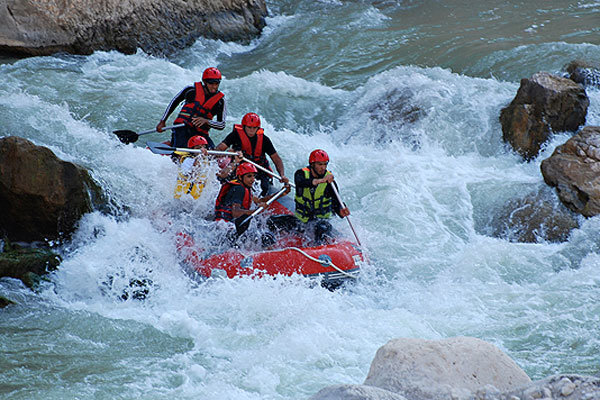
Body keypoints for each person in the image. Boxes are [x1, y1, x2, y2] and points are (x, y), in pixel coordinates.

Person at [267, 149, 350, 244]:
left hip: (320, 221)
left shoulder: (330, 183)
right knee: (272, 221)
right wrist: (321, 180)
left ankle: (318, 248)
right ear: (312, 164)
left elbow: (336, 203)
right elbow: (303, 183)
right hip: (301, 220)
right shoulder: (300, 174)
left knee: (321, 228)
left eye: (325, 164)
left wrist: (341, 211)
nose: (323, 168)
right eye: (320, 164)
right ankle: (275, 245)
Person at [215, 112, 288, 196]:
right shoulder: (235, 135)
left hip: (259, 170)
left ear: (258, 128)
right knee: (222, 180)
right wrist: (224, 152)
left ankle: (260, 200)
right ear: (244, 126)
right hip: (240, 168)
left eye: (254, 128)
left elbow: (276, 159)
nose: (251, 130)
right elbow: (221, 148)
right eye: (249, 127)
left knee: (264, 188)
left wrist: (282, 175)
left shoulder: (264, 140)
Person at [215, 162, 290, 241]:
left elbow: (259, 200)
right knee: (266, 238)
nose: (253, 179)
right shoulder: (238, 189)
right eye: (249, 176)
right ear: (240, 177)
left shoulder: (245, 188)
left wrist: (281, 193)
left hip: (233, 224)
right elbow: (235, 213)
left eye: (254, 176)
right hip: (225, 226)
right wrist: (255, 211)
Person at [156, 67, 226, 149]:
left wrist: (206, 121)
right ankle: (172, 145)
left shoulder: (220, 101)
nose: (214, 87)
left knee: (211, 155)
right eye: (211, 84)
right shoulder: (191, 90)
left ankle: (171, 143)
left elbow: (221, 125)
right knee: (182, 151)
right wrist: (163, 121)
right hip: (182, 128)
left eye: (217, 84)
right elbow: (173, 103)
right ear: (205, 82)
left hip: (200, 134)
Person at [174, 135, 243, 200]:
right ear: (192, 149)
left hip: (198, 198)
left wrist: (235, 162)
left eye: (204, 147)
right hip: (184, 196)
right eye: (198, 148)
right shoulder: (187, 160)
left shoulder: (208, 162)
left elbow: (223, 174)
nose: (202, 149)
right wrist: (199, 158)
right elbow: (191, 176)